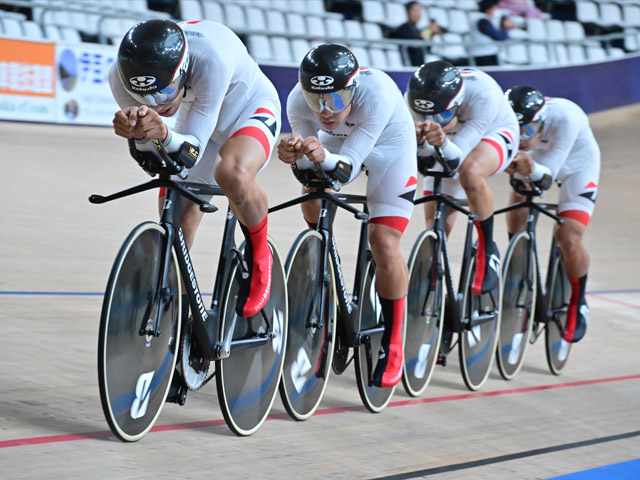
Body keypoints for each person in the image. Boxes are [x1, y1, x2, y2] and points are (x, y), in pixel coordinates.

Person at [108, 19, 281, 323]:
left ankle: (260, 254)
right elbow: (155, 162)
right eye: (145, 97)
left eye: (166, 91)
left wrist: (161, 135)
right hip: (200, 115)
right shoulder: (119, 77)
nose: (156, 105)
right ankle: (188, 325)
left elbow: (191, 152)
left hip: (249, 110)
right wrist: (138, 136)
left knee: (234, 174)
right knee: (175, 213)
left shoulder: (210, 59)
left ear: (184, 69)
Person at [277, 44, 417, 388]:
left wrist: (318, 157)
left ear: (353, 88)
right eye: (316, 101)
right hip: (338, 144)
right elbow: (311, 168)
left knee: (383, 241)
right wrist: (295, 156)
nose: (325, 111)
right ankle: (319, 245)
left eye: (336, 100)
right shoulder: (297, 99)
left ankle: (395, 339)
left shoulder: (378, 93)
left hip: (389, 149)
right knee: (312, 185)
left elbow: (348, 167)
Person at [405, 60, 519, 295]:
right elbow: (425, 164)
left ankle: (487, 249)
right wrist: (421, 145)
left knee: (469, 172)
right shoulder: (413, 98)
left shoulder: (483, 95)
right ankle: (435, 267)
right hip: (450, 139)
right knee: (436, 227)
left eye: (442, 114)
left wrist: (440, 141)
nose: (435, 120)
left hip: (494, 131)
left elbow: (456, 160)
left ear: (457, 104)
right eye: (427, 114)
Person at [505, 86, 600, 343]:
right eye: (516, 130)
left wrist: (525, 166)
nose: (522, 137)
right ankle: (519, 268)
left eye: (528, 129)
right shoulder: (514, 129)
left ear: (542, 121)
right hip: (534, 161)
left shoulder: (565, 118)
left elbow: (546, 177)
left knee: (568, 236)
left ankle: (578, 302)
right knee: (517, 211)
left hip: (576, 166)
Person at [390, 1, 446, 66]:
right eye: (415, 10)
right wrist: (428, 31)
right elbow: (415, 41)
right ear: (407, 12)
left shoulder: (417, 30)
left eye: (419, 11)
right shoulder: (402, 29)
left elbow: (426, 48)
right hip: (411, 65)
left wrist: (431, 35)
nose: (418, 14)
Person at [469, 0, 516, 66]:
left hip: (486, 54)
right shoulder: (483, 22)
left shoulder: (481, 20)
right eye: (496, 8)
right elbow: (500, 37)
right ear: (489, 9)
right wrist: (504, 26)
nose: (498, 10)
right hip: (484, 56)